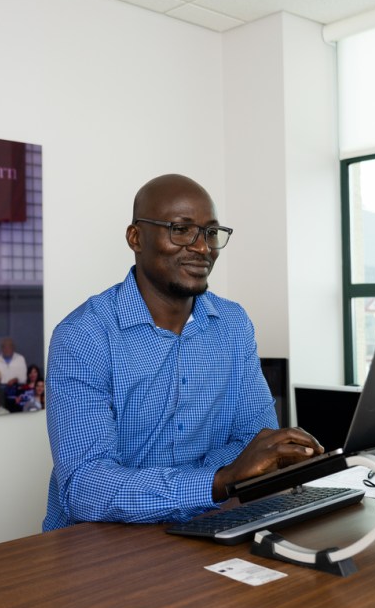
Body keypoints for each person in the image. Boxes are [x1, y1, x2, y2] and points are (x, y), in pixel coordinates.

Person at [42, 174, 323, 530]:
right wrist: (217, 480)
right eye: (180, 230)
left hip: (209, 523)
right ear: (136, 238)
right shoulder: (83, 336)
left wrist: (240, 470)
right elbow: (85, 487)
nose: (203, 248)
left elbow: (257, 441)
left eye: (210, 233)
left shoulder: (233, 324)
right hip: (101, 547)